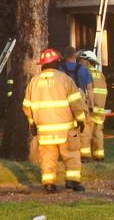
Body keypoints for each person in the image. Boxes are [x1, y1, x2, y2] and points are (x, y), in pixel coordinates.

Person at [23, 48, 87, 193]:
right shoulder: (65, 79)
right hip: (65, 129)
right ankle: (72, 181)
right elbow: (76, 103)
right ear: (57, 63)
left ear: (43, 65)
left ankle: (49, 184)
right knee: (71, 154)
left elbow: (26, 106)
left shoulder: (34, 82)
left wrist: (32, 123)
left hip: (45, 130)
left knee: (47, 157)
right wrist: (81, 120)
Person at [77, 50, 108, 161]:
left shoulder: (85, 73)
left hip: (90, 108)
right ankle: (99, 155)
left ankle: (85, 156)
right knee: (98, 133)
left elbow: (86, 91)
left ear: (88, 62)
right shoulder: (100, 74)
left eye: (81, 61)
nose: (79, 63)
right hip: (100, 109)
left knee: (85, 132)